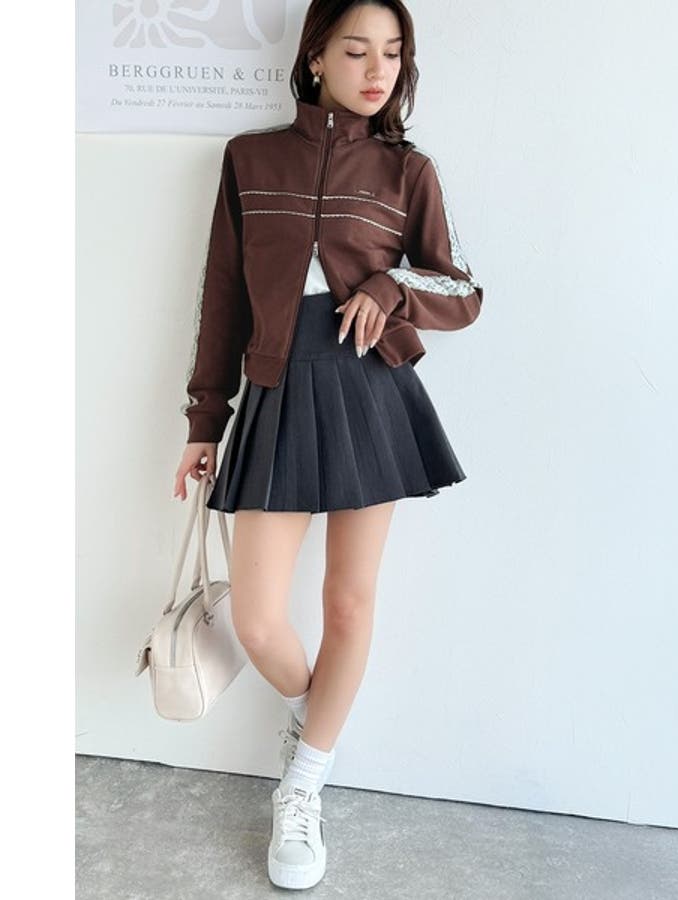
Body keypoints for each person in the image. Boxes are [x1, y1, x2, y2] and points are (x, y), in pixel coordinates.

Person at [171, 0, 483, 890]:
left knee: (349, 604)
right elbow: (223, 296)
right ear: (315, 58)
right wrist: (205, 419)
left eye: (393, 53)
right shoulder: (250, 159)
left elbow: (463, 289)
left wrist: (389, 287)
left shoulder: (407, 170)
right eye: (357, 50)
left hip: (369, 393)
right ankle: (319, 720)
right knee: (257, 618)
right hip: (276, 391)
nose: (378, 70)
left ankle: (302, 785)